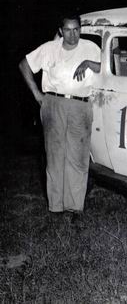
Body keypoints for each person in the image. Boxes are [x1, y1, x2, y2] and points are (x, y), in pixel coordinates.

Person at [18, 14, 101, 222]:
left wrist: (89, 63)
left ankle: (74, 208)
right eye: (68, 30)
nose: (73, 35)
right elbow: (24, 65)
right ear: (61, 30)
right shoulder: (49, 48)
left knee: (78, 158)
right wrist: (37, 94)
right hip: (53, 103)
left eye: (76, 29)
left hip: (80, 105)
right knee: (55, 157)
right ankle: (56, 208)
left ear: (80, 29)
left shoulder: (91, 47)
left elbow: (104, 68)